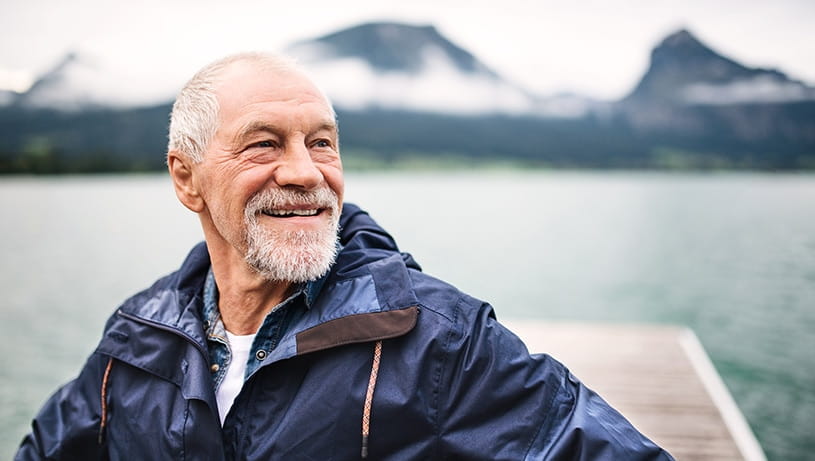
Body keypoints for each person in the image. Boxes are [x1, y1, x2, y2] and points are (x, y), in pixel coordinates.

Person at [16, 52, 673, 460]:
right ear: (187, 178)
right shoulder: (135, 342)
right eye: (264, 144)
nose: (306, 172)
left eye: (323, 143)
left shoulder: (438, 341)